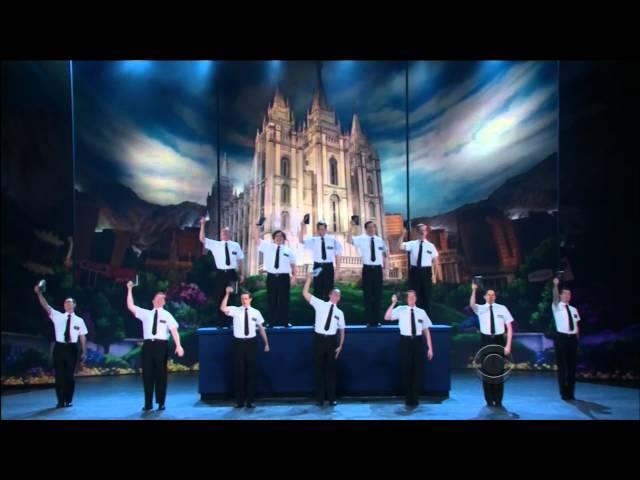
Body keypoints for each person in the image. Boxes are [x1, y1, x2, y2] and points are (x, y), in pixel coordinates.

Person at [126, 281, 184, 411]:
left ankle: (161, 402)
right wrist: (129, 289)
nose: (159, 300)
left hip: (161, 346)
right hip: (148, 346)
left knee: (161, 374)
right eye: (157, 298)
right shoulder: (146, 314)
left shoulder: (167, 315)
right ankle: (148, 403)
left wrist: (178, 345)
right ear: (153, 301)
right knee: (147, 375)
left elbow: (174, 330)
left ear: (164, 302)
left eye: (162, 299)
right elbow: (130, 306)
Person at [34, 283, 87, 408]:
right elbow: (46, 306)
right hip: (59, 348)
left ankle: (68, 400)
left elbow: (82, 336)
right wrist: (39, 293)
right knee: (59, 376)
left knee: (69, 376)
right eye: (65, 303)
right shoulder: (57, 316)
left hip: (72, 349)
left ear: (74, 304)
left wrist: (84, 351)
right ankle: (60, 401)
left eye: (70, 302)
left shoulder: (79, 320)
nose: (67, 304)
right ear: (64, 305)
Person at [220, 286, 270, 408]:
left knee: (251, 372)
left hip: (251, 343)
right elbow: (222, 308)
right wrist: (227, 294)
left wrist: (266, 343)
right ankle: (239, 401)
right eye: (242, 299)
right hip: (239, 343)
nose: (244, 301)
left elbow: (261, 329)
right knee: (239, 372)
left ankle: (250, 401)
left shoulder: (256, 312)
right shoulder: (236, 310)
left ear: (250, 299)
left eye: (246, 299)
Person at [302, 270, 345, 407]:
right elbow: (305, 294)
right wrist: (309, 280)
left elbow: (342, 330)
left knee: (331, 371)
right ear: (329, 295)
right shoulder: (320, 304)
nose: (335, 296)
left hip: (331, 341)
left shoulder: (340, 313)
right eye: (333, 294)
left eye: (338, 295)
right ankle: (320, 399)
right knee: (319, 369)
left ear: (339, 298)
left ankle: (331, 398)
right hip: (319, 339)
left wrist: (340, 345)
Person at [383, 291, 434, 407]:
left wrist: (430, 348)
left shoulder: (421, 312)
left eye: (413, 296)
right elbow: (387, 317)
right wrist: (393, 304)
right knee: (406, 370)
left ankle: (415, 398)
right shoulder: (401, 309)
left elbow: (426, 330)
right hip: (405, 342)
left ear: (416, 298)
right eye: (409, 297)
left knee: (417, 370)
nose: (411, 298)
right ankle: (408, 397)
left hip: (417, 342)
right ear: (406, 299)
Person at [470, 281, 513, 408]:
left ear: (495, 296)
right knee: (487, 371)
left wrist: (508, 345)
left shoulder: (502, 308)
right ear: (484, 297)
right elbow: (472, 305)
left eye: (493, 295)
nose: (491, 297)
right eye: (488, 295)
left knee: (499, 371)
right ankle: (489, 400)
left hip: (499, 340)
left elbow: (509, 327)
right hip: (485, 340)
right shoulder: (481, 309)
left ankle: (498, 400)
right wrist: (473, 290)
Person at [200, 217, 245, 328]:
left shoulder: (235, 245)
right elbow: (202, 239)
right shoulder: (215, 244)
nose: (224, 234)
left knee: (233, 297)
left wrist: (242, 273)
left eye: (226, 232)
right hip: (221, 274)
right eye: (223, 232)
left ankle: (231, 323)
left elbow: (241, 260)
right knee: (220, 297)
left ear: (229, 234)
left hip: (232, 274)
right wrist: (202, 225)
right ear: (220, 235)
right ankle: (220, 322)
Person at [347, 220, 388, 327]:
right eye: (369, 227)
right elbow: (349, 240)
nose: (371, 229)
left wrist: (386, 269)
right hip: (367, 270)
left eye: (373, 227)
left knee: (378, 295)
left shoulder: (380, 240)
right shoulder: (361, 239)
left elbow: (385, 254)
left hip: (378, 270)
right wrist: (351, 227)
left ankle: (377, 321)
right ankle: (369, 321)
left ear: (375, 228)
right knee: (368, 295)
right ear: (366, 229)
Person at [255, 225, 297, 327]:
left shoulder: (288, 250)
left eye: (281, 236)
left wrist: (294, 277)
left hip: (284, 278)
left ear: (283, 239)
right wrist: (258, 227)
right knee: (271, 300)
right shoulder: (268, 247)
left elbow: (293, 265)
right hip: (272, 277)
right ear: (273, 238)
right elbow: (256, 240)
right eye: (277, 236)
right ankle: (271, 322)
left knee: (284, 300)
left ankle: (285, 321)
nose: (279, 238)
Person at [551, 277, 581, 400]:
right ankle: (564, 392)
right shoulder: (557, 306)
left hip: (572, 339)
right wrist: (555, 286)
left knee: (572, 366)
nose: (567, 295)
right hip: (562, 338)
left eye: (569, 294)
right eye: (565, 293)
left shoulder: (574, 309)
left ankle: (571, 392)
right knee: (563, 366)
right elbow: (554, 297)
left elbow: (577, 325)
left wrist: (577, 338)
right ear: (561, 295)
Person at [299, 219, 342, 301]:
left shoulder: (333, 241)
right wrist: (302, 227)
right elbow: (301, 241)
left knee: (329, 289)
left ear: (326, 229)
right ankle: (318, 310)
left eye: (323, 229)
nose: (321, 231)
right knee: (317, 289)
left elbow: (338, 255)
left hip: (328, 267)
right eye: (319, 229)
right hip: (317, 267)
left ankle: (329, 310)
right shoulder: (313, 240)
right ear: (317, 230)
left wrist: (337, 270)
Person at [401, 223, 439, 314]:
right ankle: (414, 319)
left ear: (426, 232)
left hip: (426, 272)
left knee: (426, 297)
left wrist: (435, 275)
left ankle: (427, 321)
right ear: (417, 232)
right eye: (420, 230)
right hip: (415, 272)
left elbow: (435, 262)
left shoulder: (431, 246)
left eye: (424, 230)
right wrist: (402, 235)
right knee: (414, 296)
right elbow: (400, 246)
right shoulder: (412, 244)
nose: (423, 232)